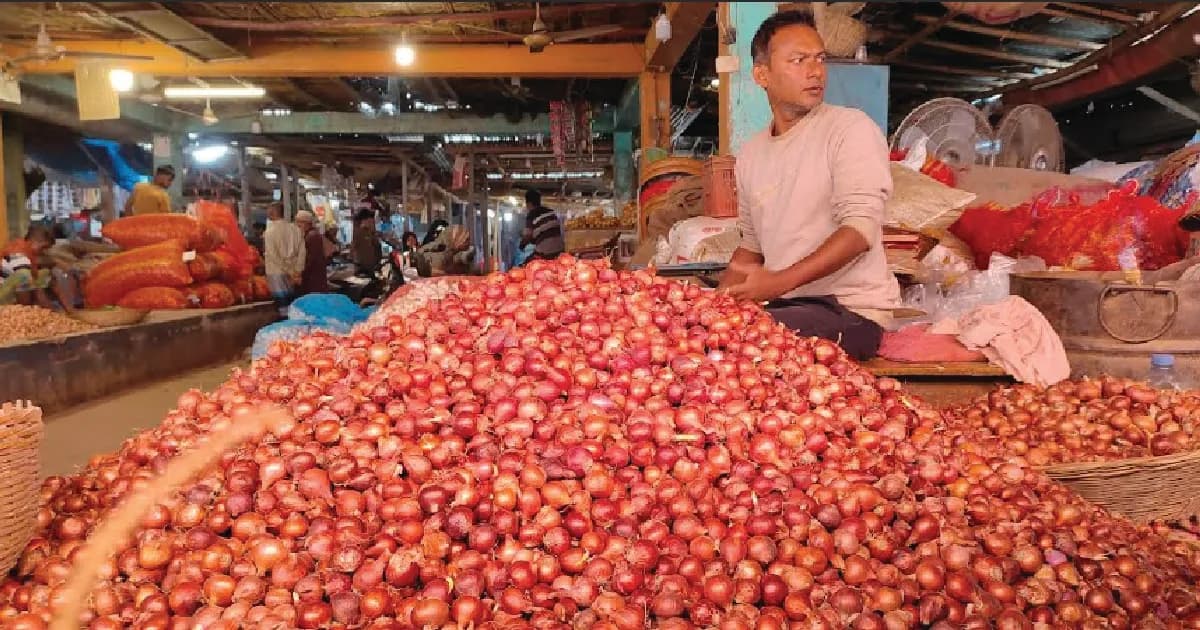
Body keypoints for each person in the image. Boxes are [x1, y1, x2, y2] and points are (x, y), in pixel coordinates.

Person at [718, 10, 900, 361]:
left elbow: (860, 231)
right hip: (788, 307)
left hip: (850, 311)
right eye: (798, 60)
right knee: (707, 333)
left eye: (819, 59)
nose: (815, 71)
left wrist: (777, 282)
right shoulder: (752, 154)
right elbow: (750, 249)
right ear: (761, 75)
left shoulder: (850, 130)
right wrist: (716, 300)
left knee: (743, 341)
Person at [1, 226, 56, 307]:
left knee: (45, 273)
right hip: (2, 297)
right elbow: (31, 283)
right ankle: (25, 310)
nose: (44, 251)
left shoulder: (26, 250)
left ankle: (70, 311)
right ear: (34, 242)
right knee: (24, 276)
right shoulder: (19, 255)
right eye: (43, 247)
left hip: (7, 288)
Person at [262, 202, 305, 305]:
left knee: (282, 304)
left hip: (276, 272)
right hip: (294, 271)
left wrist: (288, 270)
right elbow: (302, 251)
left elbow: (273, 256)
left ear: (272, 213)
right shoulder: (295, 229)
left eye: (268, 211)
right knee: (292, 302)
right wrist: (297, 271)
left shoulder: (269, 232)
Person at [520, 190, 564, 262]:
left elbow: (527, 235)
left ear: (529, 203)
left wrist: (521, 245)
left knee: (525, 264)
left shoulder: (532, 215)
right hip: (560, 251)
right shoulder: (551, 212)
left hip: (545, 254)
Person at [294, 211, 329, 296]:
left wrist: (300, 273)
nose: (297, 225)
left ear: (307, 223)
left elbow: (310, 259)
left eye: (299, 222)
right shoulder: (309, 235)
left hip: (313, 279)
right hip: (312, 278)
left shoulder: (312, 236)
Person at [351, 209, 382, 275]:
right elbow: (352, 249)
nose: (371, 222)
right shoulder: (357, 232)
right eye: (370, 220)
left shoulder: (370, 232)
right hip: (361, 269)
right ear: (364, 220)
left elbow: (376, 246)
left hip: (371, 267)